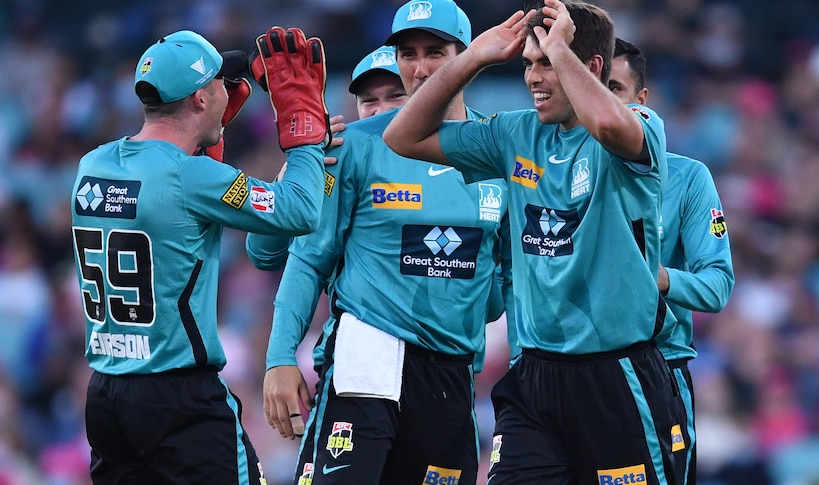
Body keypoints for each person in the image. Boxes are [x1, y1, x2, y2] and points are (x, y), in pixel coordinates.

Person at [384, 0, 683, 483]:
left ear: (591, 67)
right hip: (536, 379)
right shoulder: (515, 134)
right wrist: (473, 59)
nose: (532, 78)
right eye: (528, 64)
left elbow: (607, 125)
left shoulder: (639, 125)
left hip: (617, 374)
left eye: (545, 62)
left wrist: (563, 50)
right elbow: (403, 136)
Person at [256, 1, 511, 483]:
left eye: (435, 52)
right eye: (407, 54)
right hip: (366, 357)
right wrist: (279, 359)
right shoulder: (353, 145)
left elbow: (503, 286)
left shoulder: (502, 146)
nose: (419, 68)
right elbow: (308, 259)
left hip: (452, 373)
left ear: (466, 56)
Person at [70, 28, 329, 484]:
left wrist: (206, 139)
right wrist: (303, 125)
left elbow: (164, 199)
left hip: (108, 395)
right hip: (179, 398)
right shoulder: (192, 176)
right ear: (199, 100)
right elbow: (299, 210)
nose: (228, 91)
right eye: (219, 84)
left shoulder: (93, 164)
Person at [610, 37, 735, 484]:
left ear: (641, 101)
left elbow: (718, 284)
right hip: (559, 375)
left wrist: (657, 277)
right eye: (589, 87)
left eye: (614, 88)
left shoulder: (687, 177)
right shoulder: (545, 171)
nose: (600, 103)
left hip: (657, 367)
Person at [245, 44, 407, 271]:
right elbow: (263, 254)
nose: (381, 110)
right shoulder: (333, 163)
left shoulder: (452, 158)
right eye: (369, 101)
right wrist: (298, 164)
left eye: (397, 96)